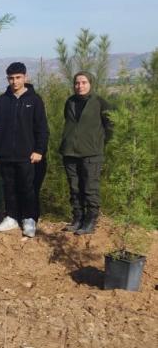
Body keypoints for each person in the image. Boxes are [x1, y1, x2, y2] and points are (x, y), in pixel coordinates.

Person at [0, 62, 49, 238]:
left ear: (25, 77)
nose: (14, 81)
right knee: (9, 186)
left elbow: (42, 129)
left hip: (28, 155)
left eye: (18, 77)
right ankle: (11, 217)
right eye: (11, 78)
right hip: (5, 154)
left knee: (28, 188)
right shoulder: (1, 101)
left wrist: (39, 150)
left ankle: (29, 218)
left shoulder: (35, 100)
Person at [60, 71, 113, 235]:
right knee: (74, 188)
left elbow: (110, 125)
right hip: (70, 152)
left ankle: (90, 221)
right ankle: (77, 218)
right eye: (77, 83)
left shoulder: (99, 102)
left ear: (90, 84)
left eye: (83, 82)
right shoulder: (70, 102)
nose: (80, 86)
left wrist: (99, 142)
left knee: (90, 188)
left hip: (92, 153)